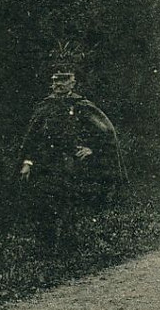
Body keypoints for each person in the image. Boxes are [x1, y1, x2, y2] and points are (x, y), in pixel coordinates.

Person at [18, 72, 123, 250]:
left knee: (69, 204)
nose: (58, 84)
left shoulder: (81, 106)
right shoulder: (45, 106)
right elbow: (32, 137)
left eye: (63, 80)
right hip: (46, 164)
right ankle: (46, 247)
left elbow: (106, 131)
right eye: (54, 81)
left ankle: (69, 247)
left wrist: (92, 149)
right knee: (45, 205)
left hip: (71, 164)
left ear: (72, 83)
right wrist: (27, 162)